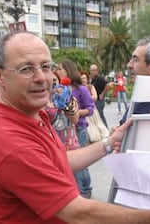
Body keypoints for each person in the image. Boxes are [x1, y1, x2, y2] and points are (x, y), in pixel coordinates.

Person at [0, 31, 150, 223]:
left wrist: (110, 143)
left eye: (46, 66)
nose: (42, 77)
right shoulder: (8, 140)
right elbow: (78, 213)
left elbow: (58, 162)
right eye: (26, 69)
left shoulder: (30, 113)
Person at [57, 59, 94, 199]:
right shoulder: (59, 89)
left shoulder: (81, 89)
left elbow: (90, 109)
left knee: (81, 162)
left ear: (68, 70)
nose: (58, 71)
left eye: (61, 68)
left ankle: (85, 190)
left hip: (79, 128)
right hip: (64, 129)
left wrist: (76, 112)